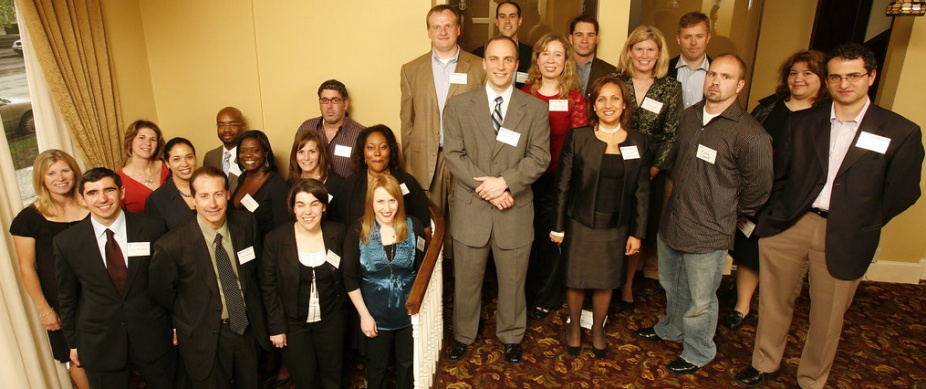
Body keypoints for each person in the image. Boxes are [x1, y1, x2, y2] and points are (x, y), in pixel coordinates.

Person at [734, 43, 924, 389]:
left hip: (847, 232)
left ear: (871, 77)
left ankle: (811, 378)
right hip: (791, 224)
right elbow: (781, 174)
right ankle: (765, 363)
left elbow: (903, 192)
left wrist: (862, 218)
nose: (844, 84)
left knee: (828, 315)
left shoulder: (900, 131)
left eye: (853, 76)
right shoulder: (804, 122)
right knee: (774, 302)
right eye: (836, 76)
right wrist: (774, 215)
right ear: (828, 80)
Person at [634, 54, 772, 374]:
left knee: (701, 298)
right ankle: (672, 328)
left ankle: (699, 350)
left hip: (710, 228)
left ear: (739, 85)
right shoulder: (690, 116)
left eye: (726, 77)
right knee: (672, 282)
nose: (715, 81)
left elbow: (759, 190)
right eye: (713, 75)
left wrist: (725, 214)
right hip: (675, 218)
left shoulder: (751, 135)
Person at [443, 36, 551, 365]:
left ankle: (512, 335)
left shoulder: (534, 108)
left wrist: (505, 183)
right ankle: (463, 334)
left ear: (517, 64)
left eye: (508, 60)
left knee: (514, 280)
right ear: (484, 63)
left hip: (513, 207)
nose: (500, 66)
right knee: (466, 279)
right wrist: (489, 189)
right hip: (472, 209)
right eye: (494, 59)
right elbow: (454, 155)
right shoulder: (459, 106)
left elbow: (539, 157)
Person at [723, 50, 829, 331]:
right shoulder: (769, 107)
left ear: (823, 79)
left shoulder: (826, 118)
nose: (798, 79)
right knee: (748, 246)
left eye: (808, 73)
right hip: (757, 189)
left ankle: (768, 309)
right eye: (794, 73)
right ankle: (742, 304)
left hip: (795, 197)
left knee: (775, 254)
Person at [551, 76, 650, 359]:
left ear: (624, 104)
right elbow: (562, 185)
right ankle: (573, 326)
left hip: (617, 226)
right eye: (602, 99)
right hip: (579, 222)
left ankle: (597, 328)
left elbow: (642, 193)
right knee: (576, 278)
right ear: (593, 104)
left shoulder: (639, 142)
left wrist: (637, 232)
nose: (609, 105)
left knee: (606, 280)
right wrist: (558, 226)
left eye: (615, 98)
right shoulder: (579, 137)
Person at [150, 166, 272, 388]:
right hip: (203, 337)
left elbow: (258, 275)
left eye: (217, 194)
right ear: (193, 199)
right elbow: (162, 294)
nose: (213, 204)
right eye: (204, 196)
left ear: (227, 194)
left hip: (247, 329)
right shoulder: (171, 245)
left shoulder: (246, 225)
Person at [55, 167, 175, 388]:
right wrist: (73, 343)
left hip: (153, 336)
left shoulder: (152, 228)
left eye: (109, 190)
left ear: (122, 192)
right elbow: (67, 298)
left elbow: (170, 283)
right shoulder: (67, 243)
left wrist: (176, 325)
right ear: (82, 199)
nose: (102, 198)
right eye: (92, 193)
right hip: (100, 342)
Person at [401, 4, 485, 259]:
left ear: (458, 29)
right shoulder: (410, 70)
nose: (443, 31)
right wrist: (408, 164)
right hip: (426, 160)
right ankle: (431, 284)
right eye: (436, 26)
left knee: (466, 227)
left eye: (448, 25)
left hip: (466, 160)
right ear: (428, 32)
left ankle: (462, 286)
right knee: (429, 227)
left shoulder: (480, 67)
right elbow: (407, 121)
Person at [612, 25, 682, 313]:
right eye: (638, 48)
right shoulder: (615, 81)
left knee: (636, 229)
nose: (644, 55)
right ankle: (604, 280)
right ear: (629, 51)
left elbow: (671, 135)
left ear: (659, 54)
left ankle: (627, 283)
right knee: (609, 227)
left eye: (650, 49)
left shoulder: (670, 88)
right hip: (612, 170)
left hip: (649, 174)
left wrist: (651, 172)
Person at [520, 32, 587, 321]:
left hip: (558, 182)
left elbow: (580, 145)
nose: (551, 60)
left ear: (566, 61)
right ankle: (522, 294)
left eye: (557, 54)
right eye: (545, 53)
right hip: (526, 180)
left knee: (550, 242)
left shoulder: (574, 99)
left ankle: (546, 297)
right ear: (537, 58)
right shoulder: (524, 94)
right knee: (525, 240)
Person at [10, 150, 90, 389]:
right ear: (41, 179)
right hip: (61, 301)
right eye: (51, 173)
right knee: (76, 356)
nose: (60, 177)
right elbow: (27, 268)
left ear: (74, 172)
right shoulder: (28, 219)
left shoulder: (93, 206)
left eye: (65, 170)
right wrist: (44, 309)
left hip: (99, 293)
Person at [343, 175, 427, 389]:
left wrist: (420, 308)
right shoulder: (357, 230)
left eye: (392, 200)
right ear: (371, 202)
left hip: (408, 312)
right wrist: (364, 316)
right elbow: (350, 277)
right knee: (377, 366)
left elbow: (422, 269)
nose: (387, 208)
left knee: (407, 364)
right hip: (374, 314)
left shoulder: (413, 226)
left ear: (399, 201)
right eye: (380, 201)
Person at [261, 180, 347, 389]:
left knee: (333, 378)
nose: (307, 211)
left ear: (324, 206)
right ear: (292, 208)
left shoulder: (339, 233)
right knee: (305, 380)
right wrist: (276, 327)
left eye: (314, 204)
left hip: (332, 320)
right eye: (300, 204)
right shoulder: (275, 240)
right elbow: (268, 287)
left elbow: (350, 277)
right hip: (293, 326)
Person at [335, 125, 430, 231]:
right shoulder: (350, 184)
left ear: (391, 151)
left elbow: (424, 225)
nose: (377, 153)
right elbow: (337, 225)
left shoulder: (407, 182)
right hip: (357, 245)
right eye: (371, 148)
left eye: (383, 147)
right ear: (363, 153)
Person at [294, 79, 365, 178]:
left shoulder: (361, 134)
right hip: (309, 191)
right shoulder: (306, 128)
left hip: (346, 193)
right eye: (324, 100)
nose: (329, 106)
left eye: (335, 100)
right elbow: (294, 168)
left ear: (345, 104)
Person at [231, 130, 291, 237]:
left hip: (266, 249)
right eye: (243, 151)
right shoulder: (242, 178)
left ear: (265, 153)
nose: (248, 155)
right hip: (243, 247)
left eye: (255, 150)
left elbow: (284, 229)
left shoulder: (276, 185)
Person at [471, 1, 533, 88]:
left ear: (519, 21)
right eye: (502, 16)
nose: (507, 21)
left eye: (512, 16)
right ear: (496, 21)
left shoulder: (533, 55)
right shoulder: (478, 55)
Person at [146, 137, 198, 230]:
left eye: (189, 157)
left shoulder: (210, 188)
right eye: (177, 159)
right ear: (167, 163)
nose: (185, 164)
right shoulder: (156, 200)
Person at [117, 119, 168, 213]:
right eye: (141, 137)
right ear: (130, 141)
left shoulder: (168, 167)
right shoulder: (119, 180)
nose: (147, 143)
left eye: (152, 139)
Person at [668, 12, 712, 109]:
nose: (693, 43)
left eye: (699, 36)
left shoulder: (719, 72)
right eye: (687, 37)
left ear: (708, 38)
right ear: (678, 39)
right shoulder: (663, 70)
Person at [567, 16, 617, 97]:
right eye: (579, 35)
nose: (584, 40)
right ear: (571, 38)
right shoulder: (559, 68)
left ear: (597, 39)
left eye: (590, 35)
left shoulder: (611, 72)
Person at [288, 129, 345, 197]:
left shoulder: (338, 184)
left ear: (320, 154)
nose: (306, 158)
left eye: (312, 152)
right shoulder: (290, 183)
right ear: (295, 155)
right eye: (301, 152)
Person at [203, 107, 246, 193]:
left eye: (233, 124)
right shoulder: (210, 156)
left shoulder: (252, 156)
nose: (226, 129)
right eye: (221, 125)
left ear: (243, 126)